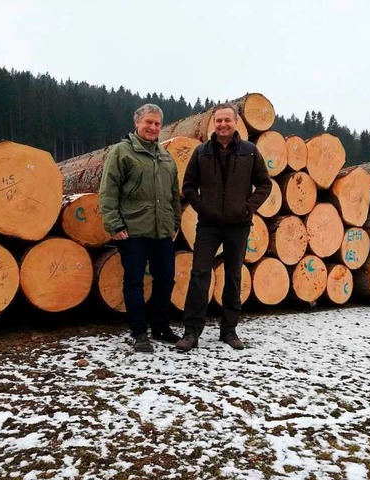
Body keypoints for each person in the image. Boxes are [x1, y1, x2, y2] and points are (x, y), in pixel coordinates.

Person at [176, 103, 272, 351]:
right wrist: (203, 207)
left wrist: (248, 207)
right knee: (199, 275)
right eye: (219, 120)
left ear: (236, 122)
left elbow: (264, 184)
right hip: (208, 225)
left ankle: (229, 330)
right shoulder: (201, 152)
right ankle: (191, 332)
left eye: (227, 120)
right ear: (213, 123)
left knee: (233, 276)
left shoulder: (250, 152)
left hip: (238, 226)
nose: (223, 125)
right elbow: (188, 187)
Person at [99, 104, 181, 353]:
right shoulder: (121, 152)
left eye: (157, 123)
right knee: (134, 281)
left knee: (165, 279)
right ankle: (139, 333)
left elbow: (173, 195)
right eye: (148, 122)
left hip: (162, 231)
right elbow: (108, 191)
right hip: (132, 230)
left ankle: (160, 327)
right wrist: (114, 224)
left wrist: (175, 222)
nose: (153, 127)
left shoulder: (166, 156)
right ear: (137, 123)